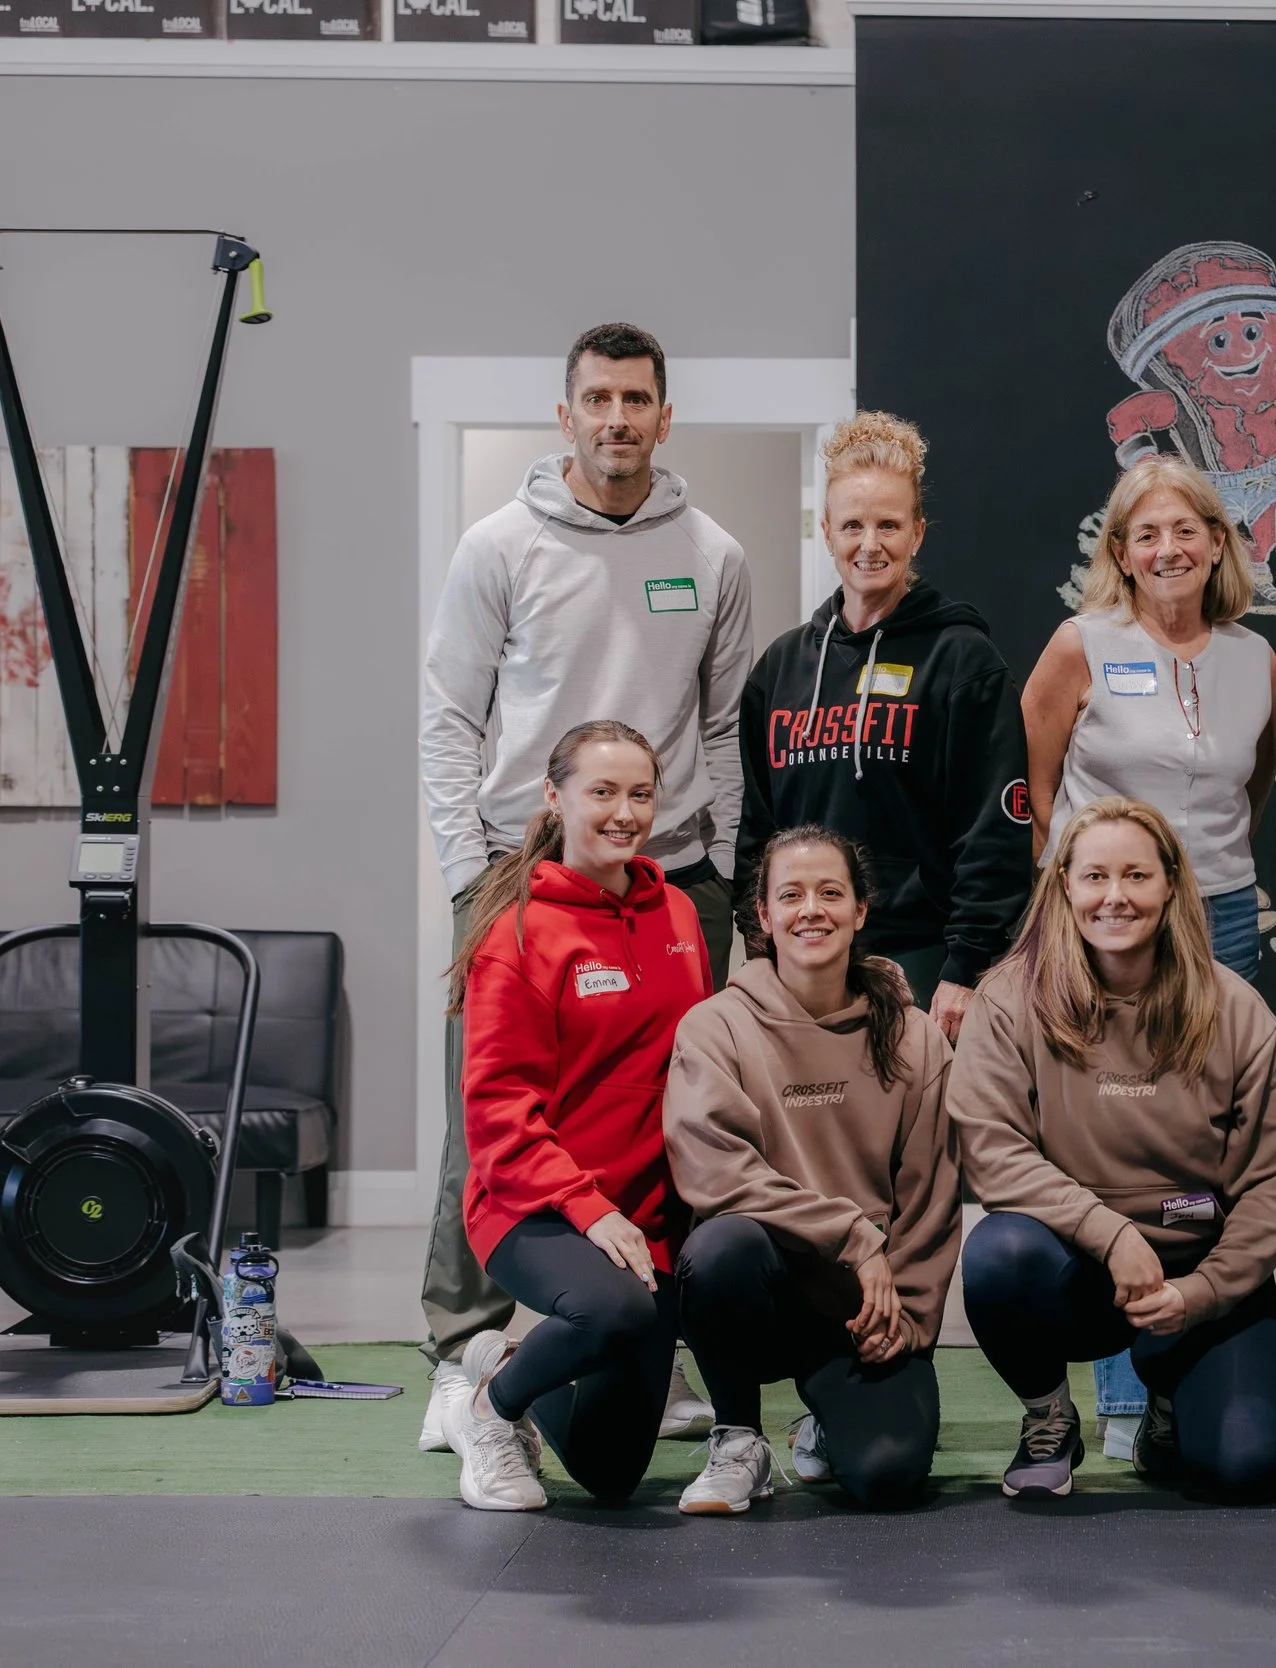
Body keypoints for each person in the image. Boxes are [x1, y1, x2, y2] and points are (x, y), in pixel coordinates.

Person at [418, 323, 747, 1452]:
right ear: (566, 415)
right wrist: (472, 876)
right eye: (597, 399)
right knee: (488, 1117)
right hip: (523, 872)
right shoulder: (500, 545)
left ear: (665, 416)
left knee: (676, 1112)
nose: (617, 418)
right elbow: (449, 719)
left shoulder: (713, 554)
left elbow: (723, 726)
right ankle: (463, 1352)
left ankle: (660, 1337)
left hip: (676, 871)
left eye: (636, 399)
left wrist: (725, 869)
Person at [949, 797, 1276, 1500]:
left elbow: (1273, 1181)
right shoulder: (1008, 1000)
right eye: (1095, 876)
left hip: (1196, 1268)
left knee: (1244, 1469)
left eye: (1137, 875)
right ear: (1065, 887)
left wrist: (1201, 1291)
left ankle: (1168, 1397)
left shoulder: (1235, 1009)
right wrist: (1109, 1234)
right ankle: (1049, 1416)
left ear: (1171, 884)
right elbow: (992, 1150)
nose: (1115, 896)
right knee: (998, 1254)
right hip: (1073, 1266)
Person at [442, 720, 715, 1512]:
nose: (624, 813)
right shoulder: (519, 934)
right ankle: (488, 1412)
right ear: (555, 797)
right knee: (613, 1307)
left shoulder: (678, 915)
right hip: (534, 1205)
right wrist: (591, 1211)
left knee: (610, 1472)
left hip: (645, 1213)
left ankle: (510, 1365)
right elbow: (498, 1116)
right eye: (602, 792)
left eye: (640, 794)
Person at [664, 825, 960, 1515]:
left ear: (860, 910)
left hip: (863, 1307)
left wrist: (908, 1317)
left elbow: (932, 1194)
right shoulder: (715, 1027)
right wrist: (852, 1236)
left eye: (830, 892)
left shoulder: (913, 1035)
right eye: (791, 895)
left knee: (888, 1478)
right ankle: (739, 1438)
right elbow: (716, 1174)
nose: (812, 910)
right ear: (764, 916)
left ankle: (827, 1418)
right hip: (760, 1292)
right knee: (721, 1246)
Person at [736, 411, 1031, 1044]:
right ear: (826, 532)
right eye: (852, 525)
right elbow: (757, 829)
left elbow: (994, 830)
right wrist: (761, 944)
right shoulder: (782, 668)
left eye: (889, 525)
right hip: (802, 957)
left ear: (917, 532)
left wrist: (965, 966)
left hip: (924, 958)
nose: (870, 544)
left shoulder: (962, 661)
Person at [1024, 455, 1276, 982]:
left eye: (1185, 531)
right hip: (1102, 907)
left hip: (1223, 910)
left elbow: (1255, 786)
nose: (1168, 550)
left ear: (1217, 543)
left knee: (1219, 1038)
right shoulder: (1081, 644)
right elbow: (1033, 789)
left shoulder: (1257, 658)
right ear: (1121, 554)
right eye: (1147, 535)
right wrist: (1078, 880)